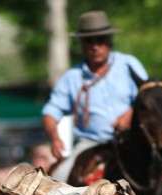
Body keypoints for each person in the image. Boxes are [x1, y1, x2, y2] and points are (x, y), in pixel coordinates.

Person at [42, 10, 148, 182]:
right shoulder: (72, 77)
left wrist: (129, 115)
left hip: (131, 141)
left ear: (110, 41)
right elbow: (50, 112)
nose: (95, 46)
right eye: (89, 41)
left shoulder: (129, 64)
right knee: (58, 179)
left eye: (101, 40)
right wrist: (54, 138)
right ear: (82, 44)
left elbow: (147, 98)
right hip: (90, 144)